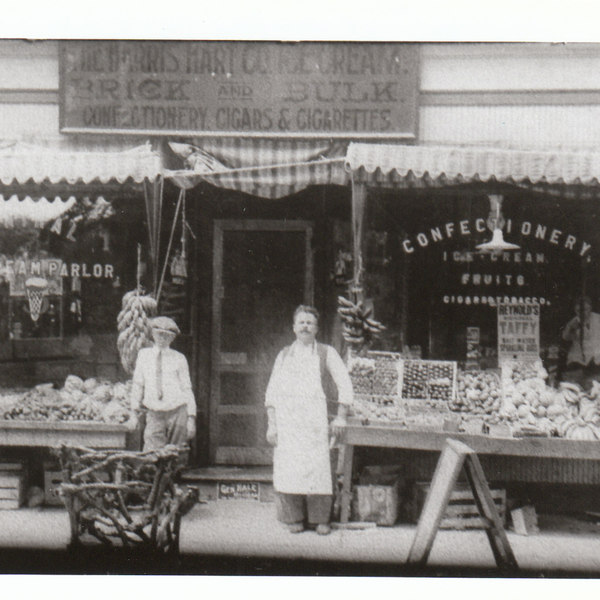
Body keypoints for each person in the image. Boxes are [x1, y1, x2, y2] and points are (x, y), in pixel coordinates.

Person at [265, 304, 353, 535]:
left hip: (315, 425)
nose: (305, 326)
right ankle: (293, 518)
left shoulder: (327, 353)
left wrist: (341, 417)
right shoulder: (284, 355)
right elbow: (271, 393)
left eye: (310, 323)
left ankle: (319, 519)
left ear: (317, 328)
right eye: (301, 322)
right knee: (289, 471)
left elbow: (344, 383)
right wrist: (272, 424)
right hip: (288, 425)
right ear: (294, 327)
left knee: (319, 471)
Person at [129, 316, 197, 450]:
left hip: (177, 411)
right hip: (154, 412)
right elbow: (138, 385)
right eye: (159, 334)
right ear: (153, 334)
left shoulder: (179, 358)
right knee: (151, 454)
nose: (162, 339)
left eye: (167, 336)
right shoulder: (144, 355)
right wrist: (133, 413)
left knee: (176, 454)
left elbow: (187, 388)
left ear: (173, 338)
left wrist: (191, 418)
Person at [561, 295, 600, 386]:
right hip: (578, 360)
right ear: (575, 310)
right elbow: (565, 337)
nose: (583, 313)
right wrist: (571, 328)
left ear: (590, 308)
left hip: (597, 359)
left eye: (585, 310)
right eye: (579, 311)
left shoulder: (598, 319)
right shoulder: (574, 322)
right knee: (578, 384)